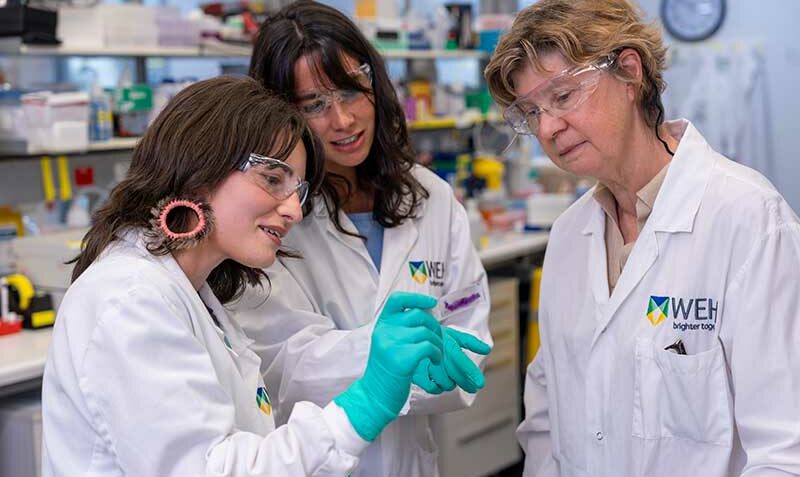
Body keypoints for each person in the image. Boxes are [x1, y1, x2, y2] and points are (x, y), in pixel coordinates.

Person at [41, 76, 454, 476]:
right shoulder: (129, 299)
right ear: (201, 165)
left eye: (299, 190)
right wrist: (362, 408)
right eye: (273, 179)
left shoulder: (195, 294)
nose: (294, 210)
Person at [484, 0, 800, 476]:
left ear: (629, 73)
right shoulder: (570, 235)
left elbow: (783, 450)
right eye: (532, 112)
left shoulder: (749, 220)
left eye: (563, 96)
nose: (547, 128)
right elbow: (549, 420)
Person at [233, 1, 493, 476]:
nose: (344, 120)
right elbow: (277, 366)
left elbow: (469, 338)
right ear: (279, 113)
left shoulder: (432, 197)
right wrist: (385, 358)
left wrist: (415, 367)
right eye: (314, 105)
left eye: (352, 91)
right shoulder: (269, 216)